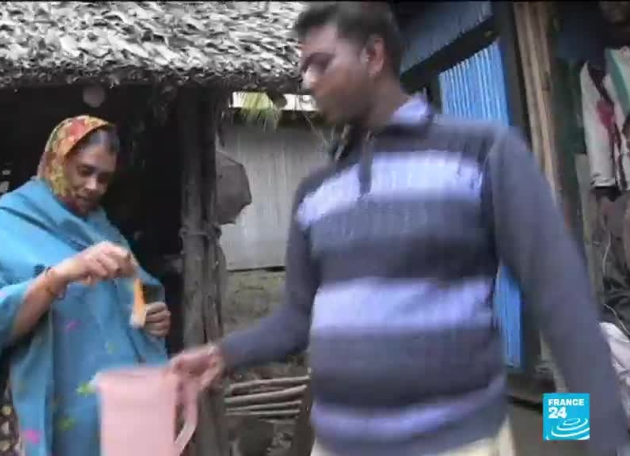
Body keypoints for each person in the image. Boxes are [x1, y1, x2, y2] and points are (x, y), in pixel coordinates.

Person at [172, 3, 630, 455]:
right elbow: (296, 319)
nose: (307, 81)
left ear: (373, 56)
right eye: (304, 67)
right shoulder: (315, 194)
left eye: (322, 63)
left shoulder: (481, 154)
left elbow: (560, 303)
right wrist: (224, 353)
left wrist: (603, 437)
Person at [0, 115, 172, 456]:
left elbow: (134, 293)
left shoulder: (100, 227)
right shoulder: (3, 223)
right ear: (57, 161)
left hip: (116, 413)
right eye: (85, 171)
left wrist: (150, 318)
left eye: (104, 178)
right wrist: (59, 275)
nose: (94, 186)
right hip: (49, 406)